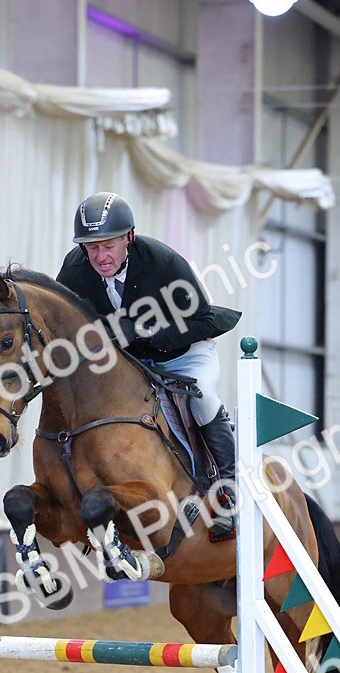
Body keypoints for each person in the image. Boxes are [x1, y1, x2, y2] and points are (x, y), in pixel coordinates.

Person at [57, 190, 241, 539]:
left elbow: (202, 319)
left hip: (185, 354)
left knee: (201, 398)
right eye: (91, 247)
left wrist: (144, 332)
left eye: (108, 245)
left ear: (129, 236)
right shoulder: (74, 269)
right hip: (130, 364)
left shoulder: (164, 262)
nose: (100, 256)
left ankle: (228, 490)